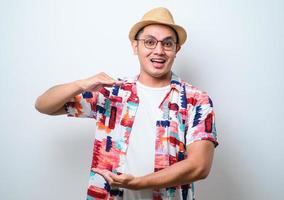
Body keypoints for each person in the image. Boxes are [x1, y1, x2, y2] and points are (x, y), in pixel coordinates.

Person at [35, 7, 218, 200]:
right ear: (135, 46)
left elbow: (199, 166)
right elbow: (44, 105)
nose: (159, 51)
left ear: (176, 50)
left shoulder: (195, 100)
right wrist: (81, 84)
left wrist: (139, 183)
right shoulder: (113, 93)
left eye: (167, 44)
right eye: (149, 42)